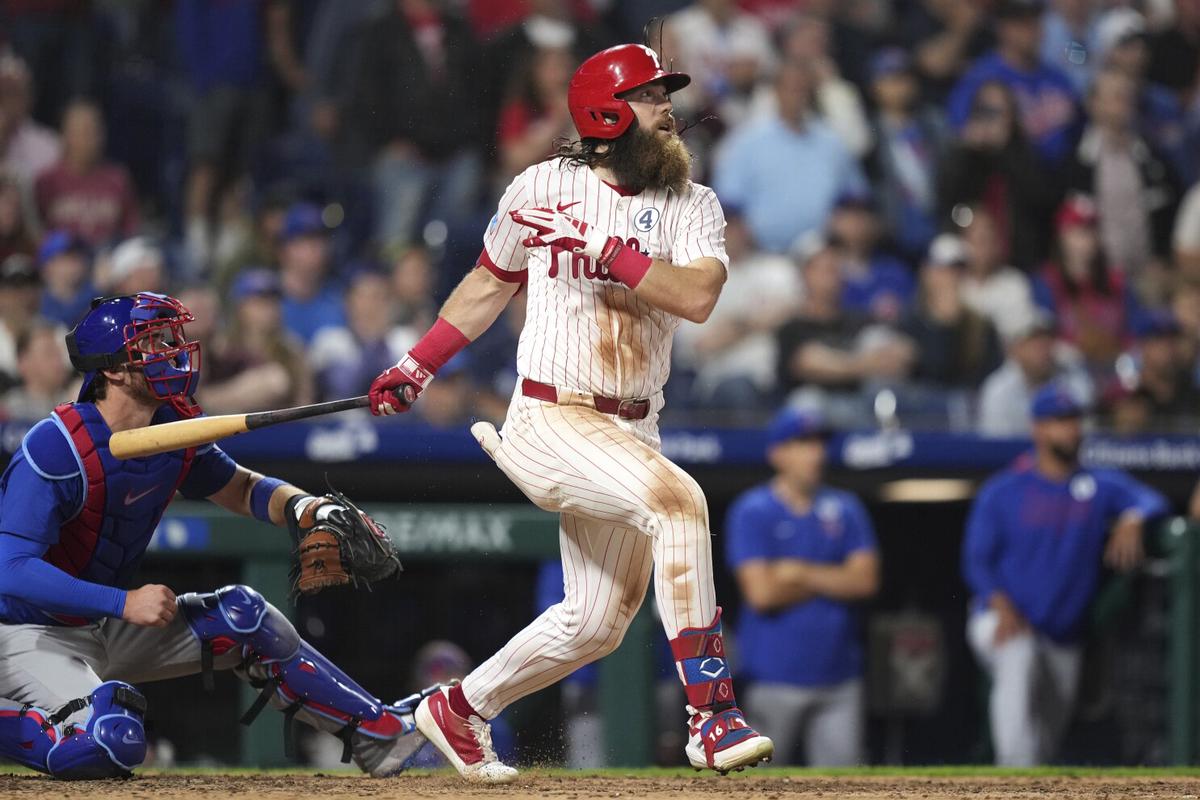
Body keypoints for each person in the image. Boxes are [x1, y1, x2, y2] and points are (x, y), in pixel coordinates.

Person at [367, 43, 774, 781]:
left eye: (665, 96)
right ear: (606, 113)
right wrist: (417, 363)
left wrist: (607, 250)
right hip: (550, 416)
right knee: (679, 502)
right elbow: (488, 285)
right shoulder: (541, 187)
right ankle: (711, 716)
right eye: (650, 98)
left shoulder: (694, 204)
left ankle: (460, 709)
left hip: (633, 426)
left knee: (596, 624)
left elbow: (697, 298)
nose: (668, 110)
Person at [0, 292, 429, 780]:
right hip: (23, 635)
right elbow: (9, 570)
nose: (172, 352)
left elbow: (241, 488)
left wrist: (307, 506)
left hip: (98, 623)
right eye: (152, 344)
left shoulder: (171, 426)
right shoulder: (56, 446)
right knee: (111, 740)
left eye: (170, 339)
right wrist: (124, 602)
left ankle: (381, 736)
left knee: (245, 618)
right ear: (114, 370)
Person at [963, 382, 1167, 765]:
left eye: (1074, 420)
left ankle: (1028, 778)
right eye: (1059, 421)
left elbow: (1151, 499)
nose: (1071, 430)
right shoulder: (1005, 489)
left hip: (1062, 635)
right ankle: (1013, 781)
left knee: (1047, 741)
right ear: (1038, 429)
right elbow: (976, 560)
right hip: (1003, 619)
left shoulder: (1096, 485)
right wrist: (999, 602)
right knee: (1018, 655)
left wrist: (1133, 517)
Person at [726, 408, 879, 765]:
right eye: (802, 444)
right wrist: (835, 577)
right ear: (777, 453)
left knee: (842, 787)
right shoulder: (753, 510)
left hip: (839, 677)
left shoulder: (846, 508)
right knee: (757, 787)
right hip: (772, 678)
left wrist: (798, 572)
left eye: (819, 443)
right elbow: (762, 594)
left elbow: (865, 581)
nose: (816, 453)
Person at [714, 58, 865, 254]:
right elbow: (727, 204)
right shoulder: (746, 141)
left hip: (825, 254)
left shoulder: (831, 142)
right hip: (763, 254)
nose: (796, 95)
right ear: (776, 91)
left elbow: (854, 198)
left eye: (802, 88)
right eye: (790, 88)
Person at [946, 0, 1081, 166]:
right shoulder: (980, 78)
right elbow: (963, 134)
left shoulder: (1057, 77)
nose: (1031, 30)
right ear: (1003, 28)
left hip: (1060, 174)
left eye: (1035, 21)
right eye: (1022, 23)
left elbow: (1080, 133)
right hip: (1005, 174)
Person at [33, 99, 139, 248]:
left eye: (96, 131)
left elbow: (131, 234)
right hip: (61, 257)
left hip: (108, 256)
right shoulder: (46, 181)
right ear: (65, 135)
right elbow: (36, 235)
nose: (91, 139)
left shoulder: (118, 179)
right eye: (84, 131)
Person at [976, 309, 1091, 437]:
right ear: (1015, 349)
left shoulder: (1071, 377)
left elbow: (1082, 432)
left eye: (1046, 339)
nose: (1042, 348)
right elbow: (995, 442)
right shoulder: (997, 388)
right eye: (1032, 341)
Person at [0, 51, 60, 187]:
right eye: (4, 93)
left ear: (29, 97)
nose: (9, 101)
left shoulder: (49, 146)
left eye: (15, 93)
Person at [0, 322, 71, 421]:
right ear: (24, 362)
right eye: (49, 353)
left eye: (59, 353)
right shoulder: (9, 411)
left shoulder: (74, 403)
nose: (58, 361)